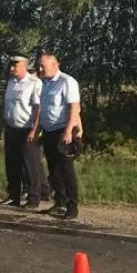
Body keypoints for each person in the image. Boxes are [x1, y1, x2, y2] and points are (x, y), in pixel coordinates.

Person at [39, 54, 82, 219]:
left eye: (43, 66)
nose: (40, 69)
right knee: (54, 169)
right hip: (49, 131)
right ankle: (60, 202)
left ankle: (73, 206)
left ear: (55, 64)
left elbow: (74, 108)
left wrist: (69, 130)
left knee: (66, 169)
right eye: (40, 66)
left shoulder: (67, 82)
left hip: (63, 130)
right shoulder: (45, 84)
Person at [1, 55, 43, 208]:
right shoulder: (11, 82)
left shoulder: (34, 83)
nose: (12, 69)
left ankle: (33, 198)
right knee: (12, 164)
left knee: (30, 165)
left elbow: (38, 109)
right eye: (11, 65)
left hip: (27, 129)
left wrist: (35, 129)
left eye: (15, 65)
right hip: (11, 127)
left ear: (25, 65)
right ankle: (13, 196)